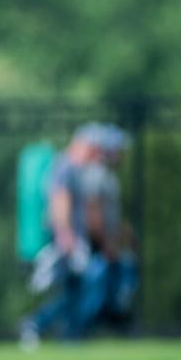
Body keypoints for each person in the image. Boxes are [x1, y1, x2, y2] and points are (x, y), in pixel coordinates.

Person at [21, 122, 131, 345]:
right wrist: (67, 236)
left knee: (76, 289)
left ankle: (58, 330)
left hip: (71, 238)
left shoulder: (73, 168)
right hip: (67, 239)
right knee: (80, 288)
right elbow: (60, 202)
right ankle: (43, 325)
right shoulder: (66, 167)